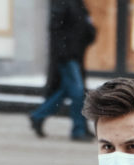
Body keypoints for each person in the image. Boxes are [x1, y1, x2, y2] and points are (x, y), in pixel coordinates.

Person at [29, 0, 96, 141]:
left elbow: (85, 27)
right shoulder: (63, 3)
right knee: (77, 93)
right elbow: (56, 30)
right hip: (67, 57)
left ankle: (38, 116)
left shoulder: (78, 4)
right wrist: (63, 53)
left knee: (67, 90)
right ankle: (78, 130)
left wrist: (90, 32)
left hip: (75, 55)